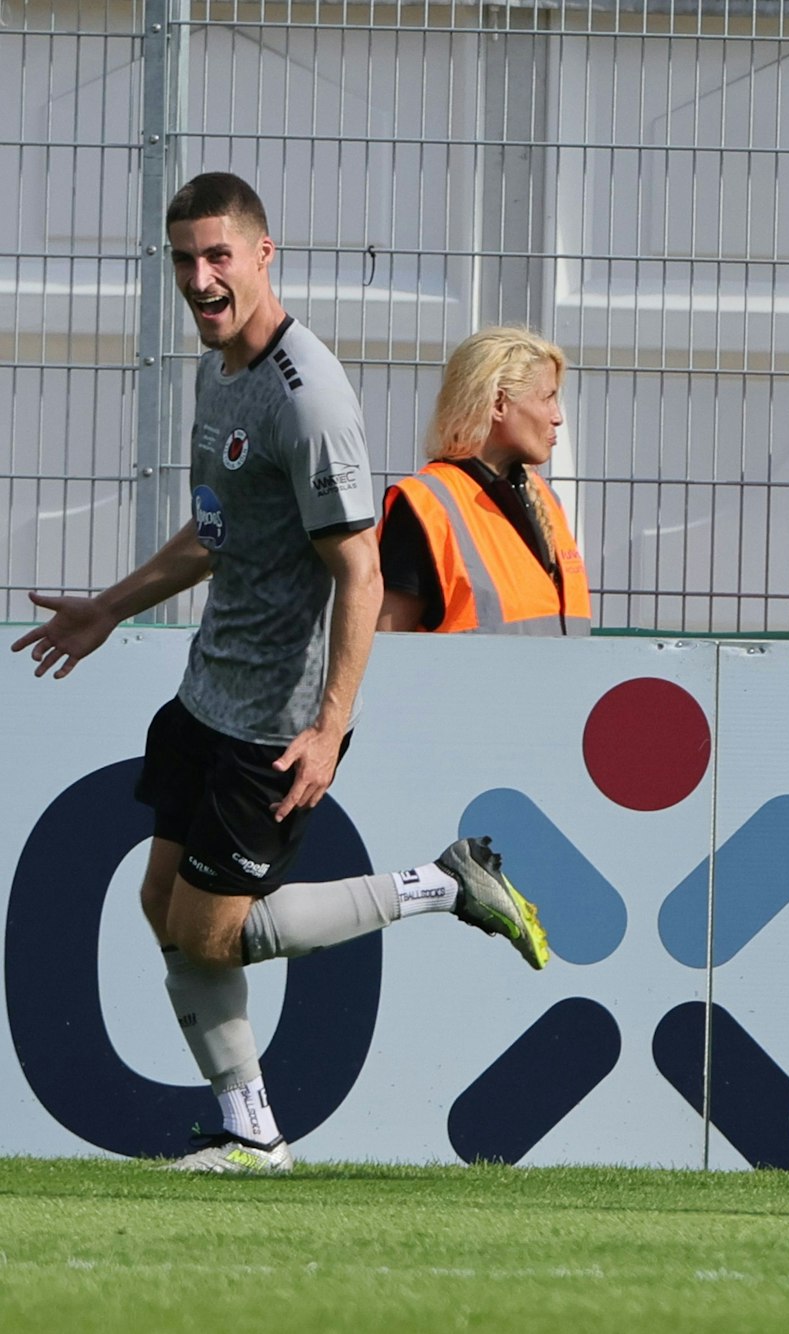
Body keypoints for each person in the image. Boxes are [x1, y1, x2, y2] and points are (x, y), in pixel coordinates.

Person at [10, 172, 550, 1174]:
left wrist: (330, 726)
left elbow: (360, 569)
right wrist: (111, 606)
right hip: (208, 690)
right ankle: (250, 1128)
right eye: (185, 259)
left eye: (219, 256)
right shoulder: (219, 372)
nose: (200, 278)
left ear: (264, 255)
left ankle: (442, 884)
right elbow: (220, 530)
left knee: (210, 933)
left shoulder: (311, 399)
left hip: (274, 719)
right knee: (163, 905)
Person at [377, 327, 591, 634]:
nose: (557, 417)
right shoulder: (425, 507)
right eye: (548, 398)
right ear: (498, 404)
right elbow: (387, 645)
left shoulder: (545, 499)